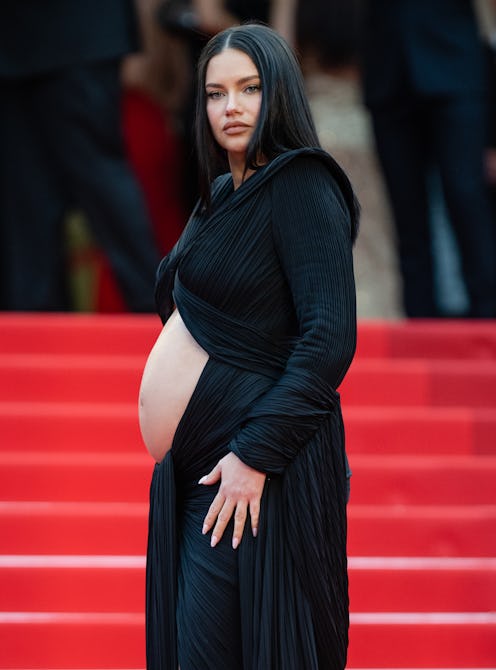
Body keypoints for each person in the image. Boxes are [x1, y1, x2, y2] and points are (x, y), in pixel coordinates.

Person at [139, 23, 359, 669]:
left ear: (280, 94)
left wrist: (254, 456)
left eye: (249, 88)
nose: (229, 107)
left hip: (250, 472)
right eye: (214, 93)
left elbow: (329, 338)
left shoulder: (301, 184)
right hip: (198, 470)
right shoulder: (220, 197)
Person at [0, 0, 160, 311]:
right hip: (13, 46)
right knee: (26, 206)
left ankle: (158, 318)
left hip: (78, 32)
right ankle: (36, 341)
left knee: (103, 184)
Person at [360, 0, 496, 318]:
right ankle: (420, 333)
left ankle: (489, 326)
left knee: (467, 201)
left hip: (457, 70)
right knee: (407, 218)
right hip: (387, 75)